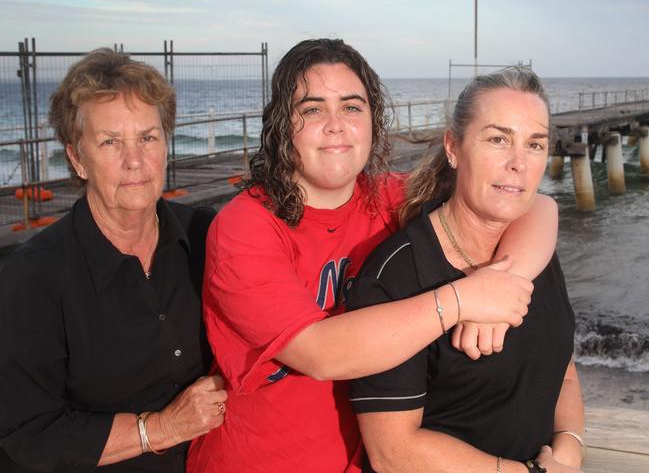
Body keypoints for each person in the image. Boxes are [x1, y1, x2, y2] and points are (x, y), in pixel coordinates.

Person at [187, 39, 558, 473]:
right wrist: (464, 299)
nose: (335, 126)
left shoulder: (388, 198)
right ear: (281, 126)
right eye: (311, 109)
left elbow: (532, 204)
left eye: (351, 107)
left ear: (372, 119)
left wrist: (502, 288)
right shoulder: (245, 228)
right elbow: (321, 354)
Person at [0, 49, 227, 473]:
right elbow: (28, 433)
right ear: (76, 158)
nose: (135, 160)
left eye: (147, 137)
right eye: (110, 142)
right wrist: (161, 428)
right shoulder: (34, 277)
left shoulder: (205, 233)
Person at [348, 67, 585, 473]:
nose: (518, 164)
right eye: (498, 139)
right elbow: (393, 453)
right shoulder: (397, 275)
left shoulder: (532, 251)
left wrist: (569, 447)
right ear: (453, 148)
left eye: (535, 145)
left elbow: (559, 372)